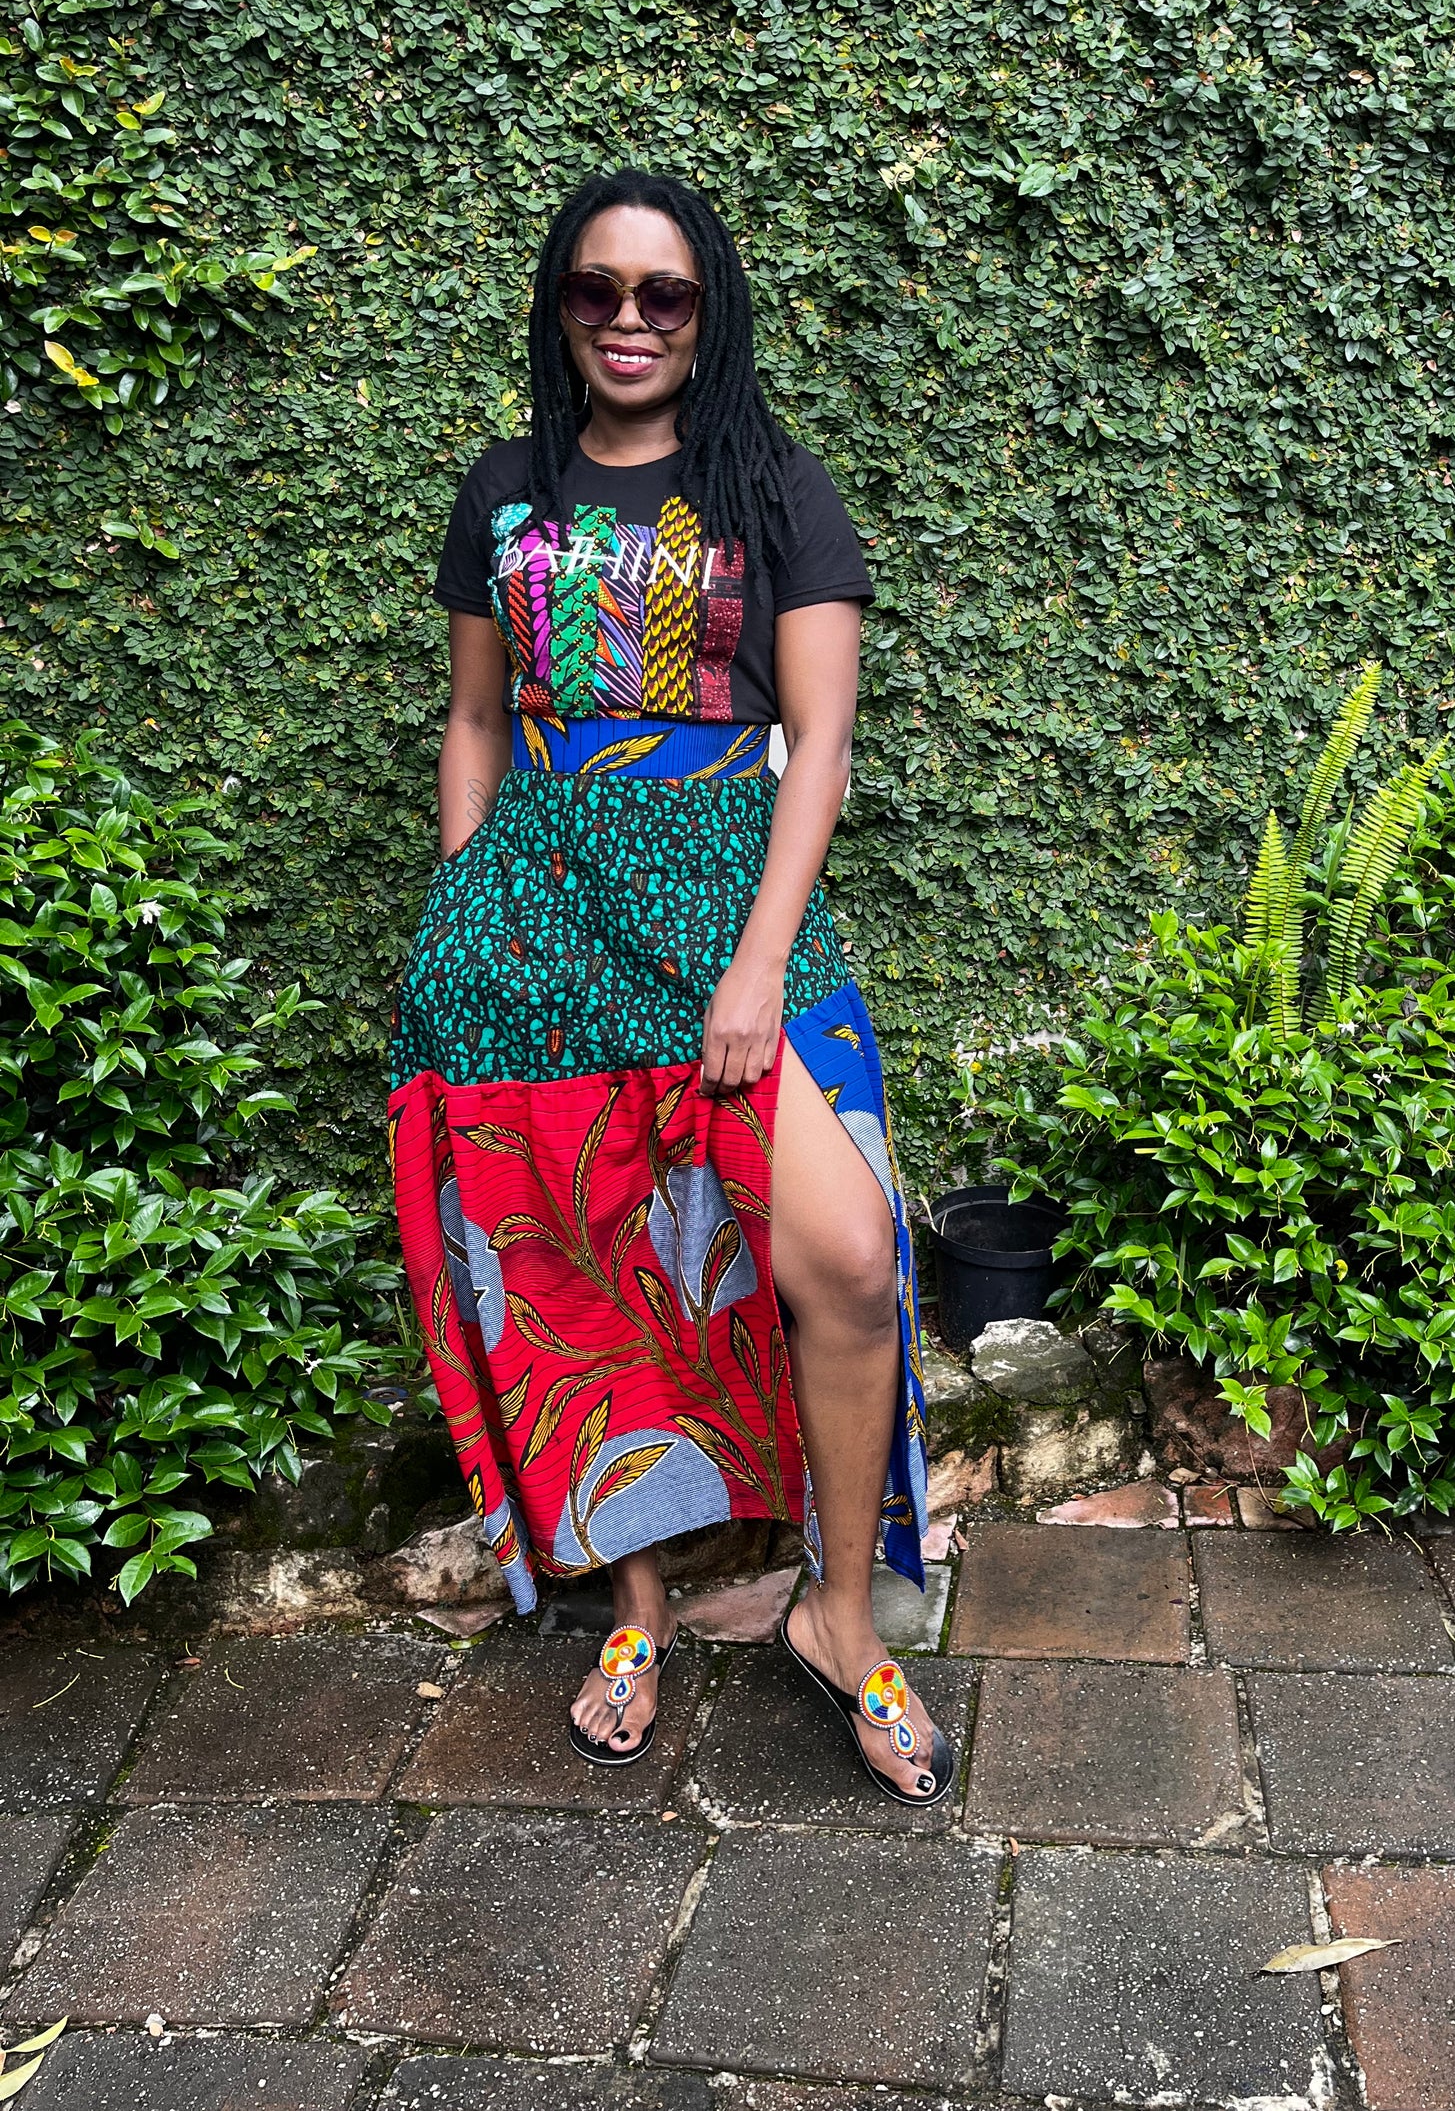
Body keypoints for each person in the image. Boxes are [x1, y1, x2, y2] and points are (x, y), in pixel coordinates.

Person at [388, 168, 946, 1804]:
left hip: (716, 901)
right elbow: (477, 722)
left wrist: (757, 965)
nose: (627, 321)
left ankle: (837, 1612)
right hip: (532, 919)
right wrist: (469, 908)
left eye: (663, 295)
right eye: (596, 291)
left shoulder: (773, 488)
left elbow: (817, 744)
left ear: (709, 314)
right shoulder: (507, 490)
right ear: (559, 308)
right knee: (594, 1267)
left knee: (845, 1258)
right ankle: (634, 1611)